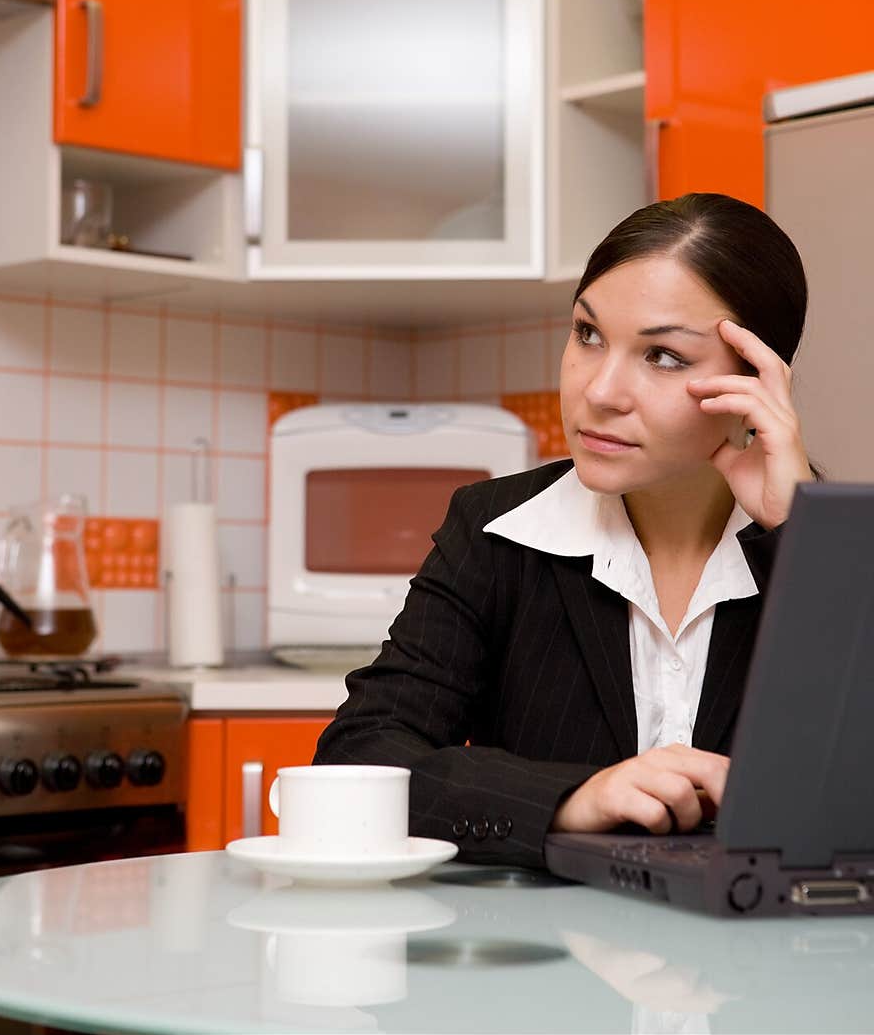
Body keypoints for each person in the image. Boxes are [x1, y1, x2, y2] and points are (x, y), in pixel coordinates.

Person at [313, 193, 822, 869]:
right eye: (587, 334)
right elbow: (362, 756)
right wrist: (570, 799)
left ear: (757, 383)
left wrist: (805, 537)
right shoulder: (495, 534)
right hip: (551, 961)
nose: (600, 390)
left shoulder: (827, 550)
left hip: (778, 966)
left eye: (663, 356)